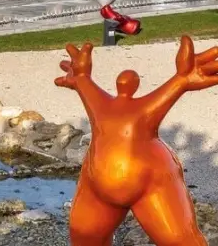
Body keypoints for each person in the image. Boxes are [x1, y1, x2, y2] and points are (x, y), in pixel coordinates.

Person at [56, 39, 218, 245]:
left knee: (179, 239)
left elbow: (84, 83)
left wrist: (182, 79)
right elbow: (84, 83)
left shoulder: (132, 106)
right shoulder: (102, 103)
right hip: (98, 181)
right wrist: (80, 77)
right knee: (84, 236)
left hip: (149, 180)